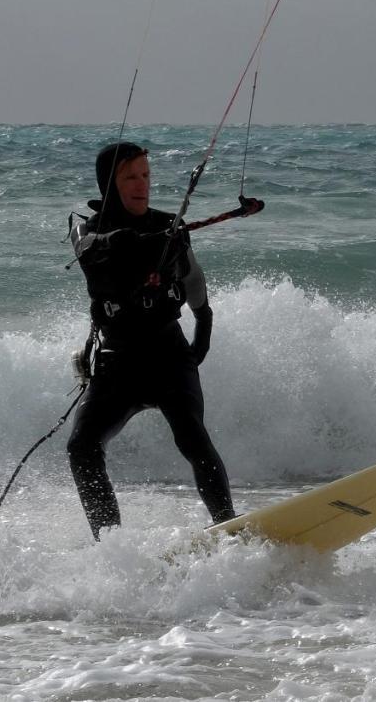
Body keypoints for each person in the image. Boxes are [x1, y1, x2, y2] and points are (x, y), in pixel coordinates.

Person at [65, 141, 236, 540]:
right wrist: (118, 241)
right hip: (116, 362)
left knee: (193, 437)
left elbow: (193, 279)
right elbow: (85, 246)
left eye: (146, 175)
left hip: (167, 356)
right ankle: (111, 546)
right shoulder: (87, 230)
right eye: (130, 177)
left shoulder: (169, 229)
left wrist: (203, 326)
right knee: (81, 449)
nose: (142, 185)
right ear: (110, 184)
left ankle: (229, 528)